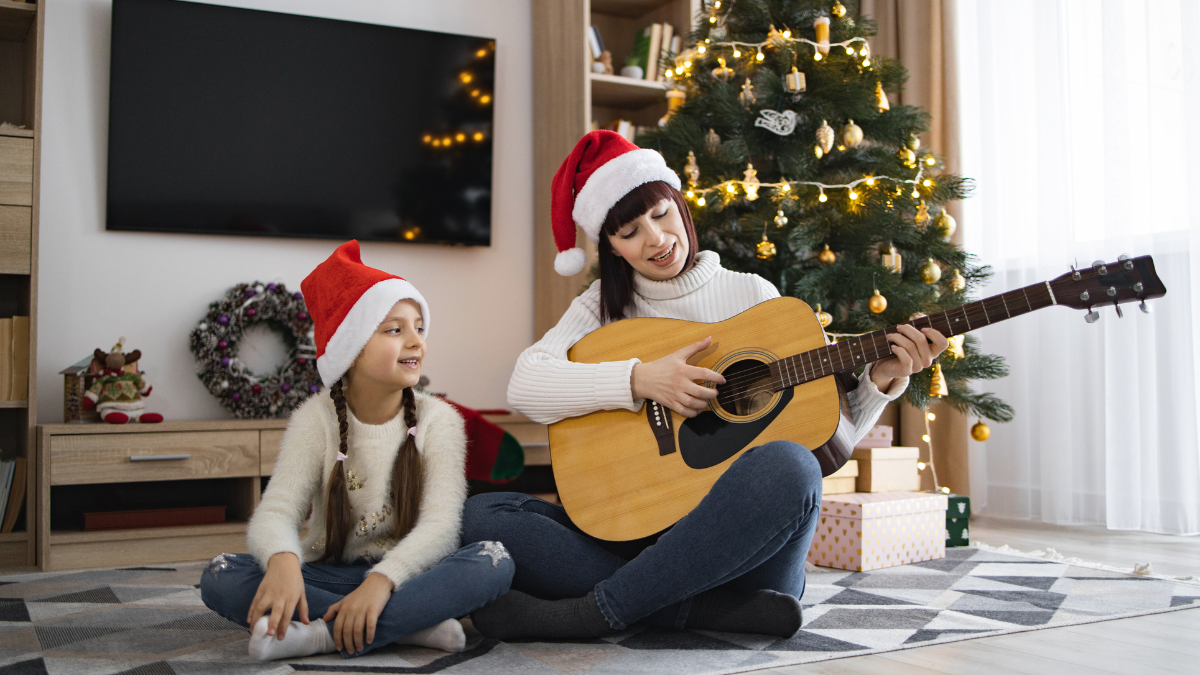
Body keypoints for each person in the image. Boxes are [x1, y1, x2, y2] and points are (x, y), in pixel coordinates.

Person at [463, 131, 948, 640]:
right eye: (629, 232)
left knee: (792, 466)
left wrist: (881, 381)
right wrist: (640, 379)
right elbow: (525, 385)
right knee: (483, 514)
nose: (655, 239)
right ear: (611, 246)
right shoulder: (600, 307)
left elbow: (823, 428)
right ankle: (704, 612)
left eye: (661, 214)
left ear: (680, 204)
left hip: (746, 557)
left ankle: (593, 612)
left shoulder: (754, 296)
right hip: (635, 533)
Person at [200, 241, 514, 660]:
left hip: (409, 576)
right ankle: (409, 624)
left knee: (493, 561)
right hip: (329, 574)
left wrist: (381, 582)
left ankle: (320, 635)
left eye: (419, 328)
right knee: (221, 574)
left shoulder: (441, 421)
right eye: (395, 330)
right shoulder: (315, 419)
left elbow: (440, 528)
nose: (416, 341)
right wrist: (283, 562)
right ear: (352, 348)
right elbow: (276, 512)